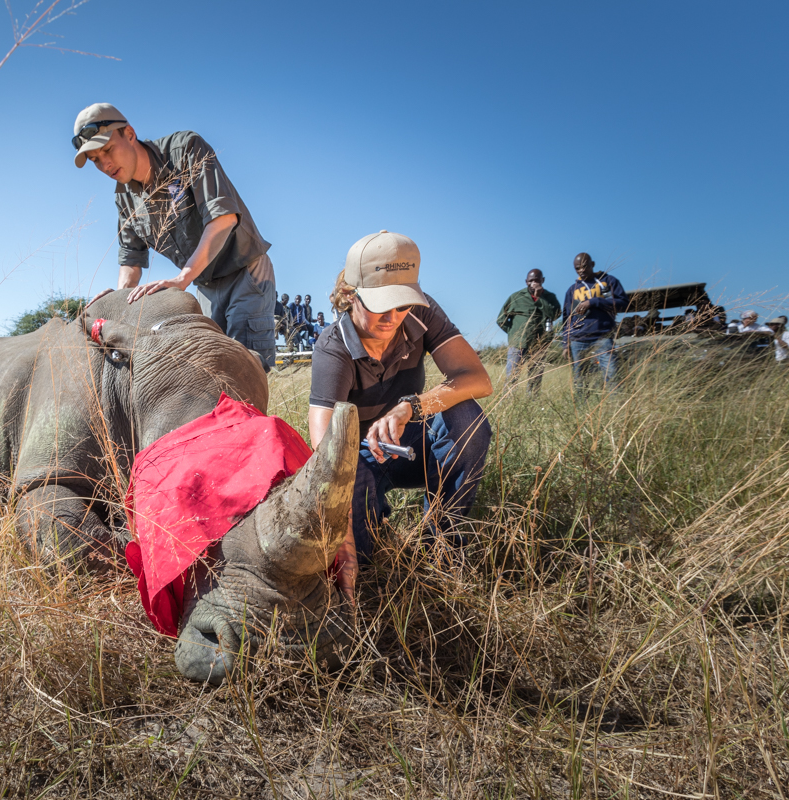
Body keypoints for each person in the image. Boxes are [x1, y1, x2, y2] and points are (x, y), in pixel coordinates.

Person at [307, 231, 493, 592]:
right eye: (380, 305)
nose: (393, 317)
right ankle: (376, 552)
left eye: (402, 303)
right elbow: (326, 454)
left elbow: (478, 379)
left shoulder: (422, 313)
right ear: (350, 295)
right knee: (364, 555)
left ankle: (443, 550)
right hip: (358, 460)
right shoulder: (332, 348)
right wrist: (344, 546)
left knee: (467, 419)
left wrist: (411, 406)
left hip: (410, 443)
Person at [72, 103, 278, 369]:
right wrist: (118, 303)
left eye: (108, 150)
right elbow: (131, 261)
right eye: (95, 160)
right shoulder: (123, 197)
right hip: (204, 285)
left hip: (245, 273)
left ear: (130, 134)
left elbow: (223, 219)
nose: (105, 164)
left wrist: (182, 279)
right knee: (212, 371)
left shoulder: (185, 149)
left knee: (247, 367)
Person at [562, 252, 627, 394]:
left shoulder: (608, 281)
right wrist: (565, 343)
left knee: (612, 374)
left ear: (592, 264)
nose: (581, 271)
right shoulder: (572, 290)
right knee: (580, 379)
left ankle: (615, 410)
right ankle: (581, 412)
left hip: (602, 338)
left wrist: (594, 302)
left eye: (584, 266)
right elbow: (567, 318)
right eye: (578, 268)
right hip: (577, 340)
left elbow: (623, 303)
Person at [496, 269, 561, 395]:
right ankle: (507, 403)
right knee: (512, 376)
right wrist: (513, 334)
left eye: (537, 280)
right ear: (526, 282)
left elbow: (555, 315)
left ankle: (532, 403)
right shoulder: (516, 297)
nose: (534, 283)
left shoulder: (550, 297)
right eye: (531, 281)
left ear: (543, 280)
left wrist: (539, 298)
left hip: (539, 344)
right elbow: (501, 319)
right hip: (518, 343)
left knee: (535, 379)